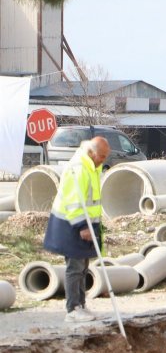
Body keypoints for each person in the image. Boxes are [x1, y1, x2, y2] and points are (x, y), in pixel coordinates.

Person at [44, 136, 110, 323]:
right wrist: (82, 226)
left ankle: (81, 304)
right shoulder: (79, 168)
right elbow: (74, 200)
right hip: (72, 224)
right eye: (102, 156)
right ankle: (72, 309)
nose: (104, 160)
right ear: (92, 152)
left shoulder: (92, 166)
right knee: (75, 266)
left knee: (83, 266)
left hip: (86, 223)